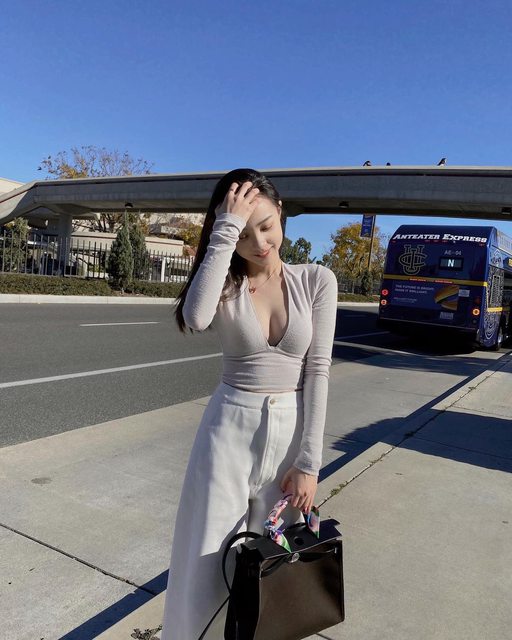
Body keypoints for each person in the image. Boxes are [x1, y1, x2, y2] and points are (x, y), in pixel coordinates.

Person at [160, 168, 338, 639]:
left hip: (290, 442)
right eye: (243, 233)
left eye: (266, 226)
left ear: (281, 212)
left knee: (274, 570)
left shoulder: (316, 280)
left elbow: (318, 370)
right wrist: (225, 228)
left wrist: (310, 461)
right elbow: (196, 316)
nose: (259, 243)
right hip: (228, 433)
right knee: (205, 567)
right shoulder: (224, 281)